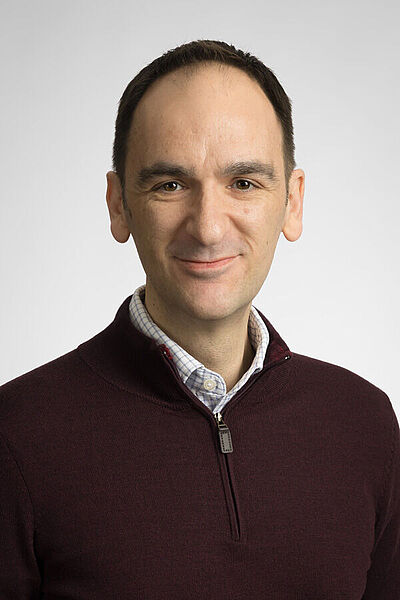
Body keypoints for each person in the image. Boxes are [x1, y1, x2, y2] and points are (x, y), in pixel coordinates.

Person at [0, 39, 399, 599]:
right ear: (118, 204)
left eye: (244, 183)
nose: (208, 226)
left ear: (292, 201)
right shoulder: (16, 434)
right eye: (170, 185)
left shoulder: (365, 424)